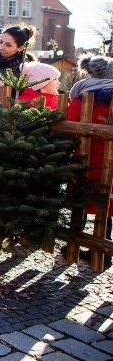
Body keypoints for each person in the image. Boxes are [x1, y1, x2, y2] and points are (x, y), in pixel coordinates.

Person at [66, 55, 113, 264]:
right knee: (107, 204)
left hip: (85, 159)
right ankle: (103, 250)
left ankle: (72, 245)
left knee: (82, 201)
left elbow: (70, 130)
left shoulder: (81, 96)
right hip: (110, 161)